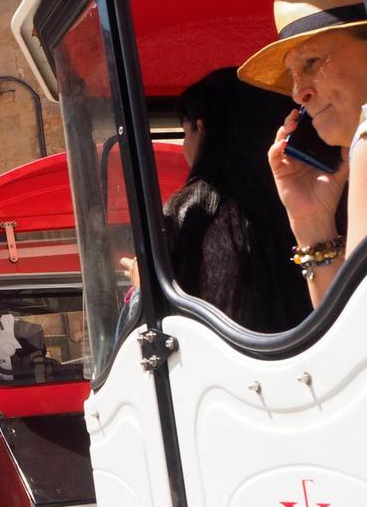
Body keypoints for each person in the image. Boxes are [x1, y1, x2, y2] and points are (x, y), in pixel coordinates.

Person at [239, 0, 367, 307]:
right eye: (293, 76)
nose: (299, 93)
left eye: (311, 62)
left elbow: (361, 335)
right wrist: (310, 220)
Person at [123, 68, 313, 333]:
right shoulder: (303, 196)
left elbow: (161, 333)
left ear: (201, 128)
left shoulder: (192, 209)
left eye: (184, 132)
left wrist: (141, 288)